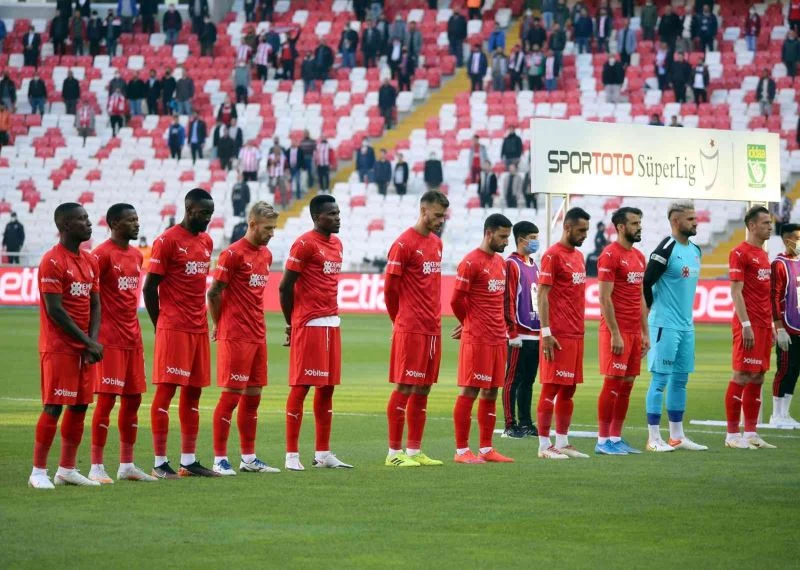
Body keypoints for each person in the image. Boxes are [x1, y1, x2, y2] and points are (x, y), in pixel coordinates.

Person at [143, 188, 217, 479]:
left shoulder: (207, 241)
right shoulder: (167, 240)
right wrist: (160, 324)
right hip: (173, 327)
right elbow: (149, 287)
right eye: (203, 213)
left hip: (198, 327)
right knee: (166, 391)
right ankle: (160, 463)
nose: (208, 218)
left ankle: (188, 461)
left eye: (211, 213)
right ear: (189, 209)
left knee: (194, 392)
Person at [28, 203, 102, 489]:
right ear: (66, 226)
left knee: (80, 406)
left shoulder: (90, 260)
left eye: (88, 218)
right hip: (59, 346)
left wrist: (91, 342)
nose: (89, 223)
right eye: (82, 219)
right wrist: (87, 341)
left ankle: (67, 469)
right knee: (54, 406)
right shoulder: (52, 260)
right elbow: (55, 309)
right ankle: (38, 472)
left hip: (83, 347)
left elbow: (95, 304)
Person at [279, 195, 353, 471]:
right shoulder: (304, 244)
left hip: (332, 322)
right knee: (301, 387)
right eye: (331, 214)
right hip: (309, 323)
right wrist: (291, 323)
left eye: (338, 213)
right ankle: (291, 455)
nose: (337, 218)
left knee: (327, 388)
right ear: (316, 217)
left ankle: (323, 453)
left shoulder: (338, 244)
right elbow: (284, 287)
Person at [207, 202, 281, 476]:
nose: (272, 233)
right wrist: (218, 324)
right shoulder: (232, 254)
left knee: (253, 397)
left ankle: (248, 458)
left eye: (273, 228)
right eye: (268, 228)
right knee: (231, 397)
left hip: (257, 333)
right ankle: (219, 459)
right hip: (235, 334)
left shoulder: (266, 255)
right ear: (252, 224)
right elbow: (214, 292)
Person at [87, 205, 157, 484]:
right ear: (114, 223)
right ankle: (96, 466)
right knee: (106, 400)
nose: (137, 224)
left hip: (132, 338)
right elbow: (90, 298)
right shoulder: (101, 255)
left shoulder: (137, 255)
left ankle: (127, 465)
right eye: (131, 220)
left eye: (137, 219)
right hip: (109, 339)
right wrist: (91, 337)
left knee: (133, 399)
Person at [383, 191, 449, 467]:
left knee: (423, 388)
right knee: (405, 385)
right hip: (411, 326)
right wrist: (398, 320)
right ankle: (393, 453)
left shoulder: (436, 243)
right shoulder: (403, 244)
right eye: (437, 215)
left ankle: (413, 450)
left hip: (433, 327)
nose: (441, 220)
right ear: (423, 211)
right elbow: (390, 290)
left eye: (444, 216)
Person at [450, 213, 515, 464]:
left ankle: (486, 449)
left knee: (491, 392)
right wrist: (468, 323)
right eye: (502, 236)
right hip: (477, 338)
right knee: (470, 390)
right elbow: (456, 300)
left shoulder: (500, 263)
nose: (506, 241)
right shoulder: (470, 262)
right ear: (488, 233)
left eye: (508, 237)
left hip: (498, 337)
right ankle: (461, 451)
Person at [643, 200, 707, 452]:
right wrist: (652, 312)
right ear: (675, 221)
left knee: (680, 380)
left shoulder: (695, 250)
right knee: (660, 380)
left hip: (686, 326)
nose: (695, 222)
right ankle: (653, 438)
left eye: (695, 218)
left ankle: (677, 436)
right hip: (664, 325)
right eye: (690, 219)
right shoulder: (665, 248)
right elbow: (646, 282)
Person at [535, 208, 590, 460]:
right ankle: (544, 445)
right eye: (581, 230)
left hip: (576, 333)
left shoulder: (579, 256)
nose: (585, 235)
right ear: (567, 227)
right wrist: (546, 332)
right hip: (557, 334)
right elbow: (542, 295)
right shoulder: (552, 255)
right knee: (551, 387)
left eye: (586, 230)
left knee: (569, 389)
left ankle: (563, 441)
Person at [593, 208, 648, 456]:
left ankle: (615, 437)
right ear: (621, 227)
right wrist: (615, 333)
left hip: (635, 331)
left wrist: (645, 332)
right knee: (613, 382)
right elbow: (604, 298)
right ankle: (602, 440)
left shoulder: (639, 256)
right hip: (616, 330)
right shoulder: (609, 255)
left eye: (640, 222)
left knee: (627, 384)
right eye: (634, 223)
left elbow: (641, 297)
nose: (639, 227)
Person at [724, 207, 776, 450]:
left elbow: (765, 294)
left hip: (764, 324)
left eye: (770, 222)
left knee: (758, 375)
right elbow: (736, 292)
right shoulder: (739, 253)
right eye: (765, 223)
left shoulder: (764, 254)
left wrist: (771, 325)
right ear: (752, 225)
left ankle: (751, 433)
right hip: (748, 323)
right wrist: (746, 324)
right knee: (742, 375)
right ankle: (732, 435)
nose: (770, 227)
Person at [502, 221, 541, 439]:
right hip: (519, 331)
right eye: (532, 238)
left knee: (528, 380)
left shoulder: (534, 265)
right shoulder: (511, 264)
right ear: (521, 239)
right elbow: (508, 298)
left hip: (534, 330)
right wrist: (511, 331)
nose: (535, 242)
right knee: (513, 379)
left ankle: (526, 422)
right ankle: (510, 424)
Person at [770, 223, 800, 428]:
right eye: (797, 238)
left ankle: (785, 413)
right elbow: (774, 296)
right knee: (784, 369)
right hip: (787, 327)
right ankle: (776, 414)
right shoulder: (779, 264)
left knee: (795, 370)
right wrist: (779, 327)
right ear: (787, 240)